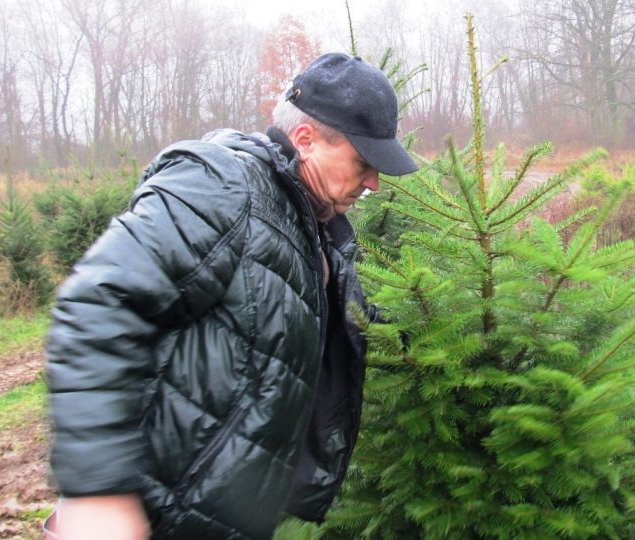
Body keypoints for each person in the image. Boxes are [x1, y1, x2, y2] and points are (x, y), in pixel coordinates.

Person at [44, 52, 417, 540]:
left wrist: (429, 325)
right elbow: (97, 306)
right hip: (159, 515)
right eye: (363, 162)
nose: (373, 181)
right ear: (305, 140)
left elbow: (322, 316)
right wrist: (99, 492)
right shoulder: (222, 186)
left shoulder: (312, 221)